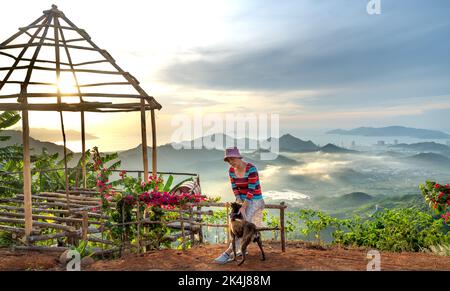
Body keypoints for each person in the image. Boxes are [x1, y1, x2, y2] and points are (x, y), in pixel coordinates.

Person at [214, 147, 265, 264]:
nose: (231, 162)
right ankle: (241, 248)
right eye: (229, 160)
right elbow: (235, 188)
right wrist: (238, 202)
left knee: (244, 226)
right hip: (241, 200)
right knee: (232, 221)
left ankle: (227, 253)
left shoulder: (251, 169)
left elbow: (251, 190)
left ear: (239, 157)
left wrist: (244, 206)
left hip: (255, 200)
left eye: (233, 159)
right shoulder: (231, 171)